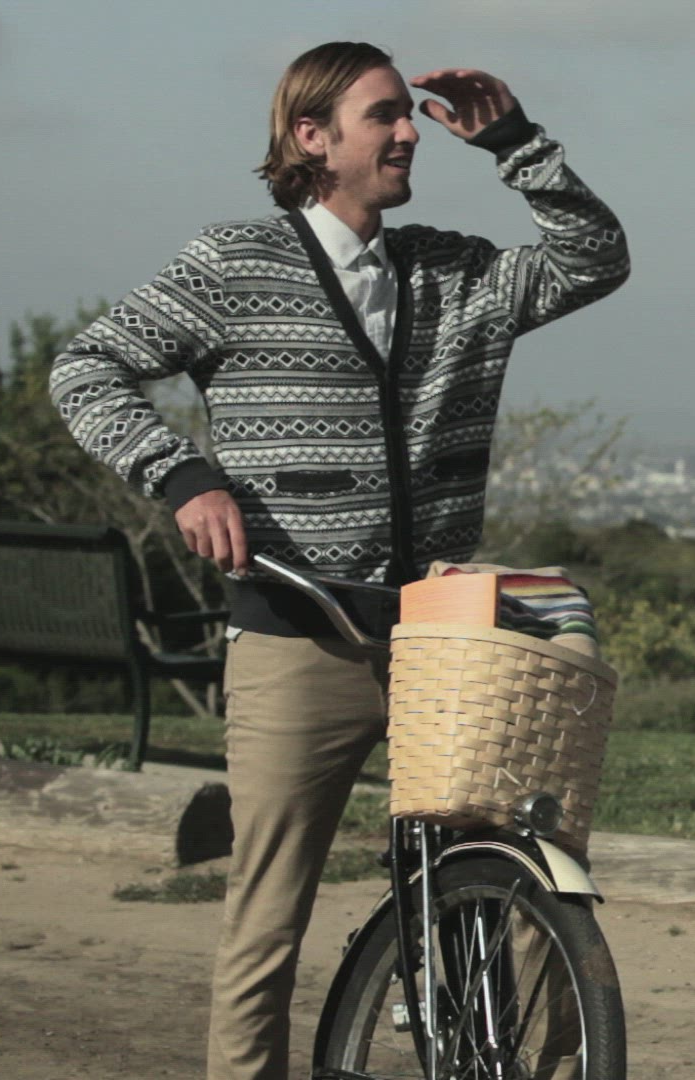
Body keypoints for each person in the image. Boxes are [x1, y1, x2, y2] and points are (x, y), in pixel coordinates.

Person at [49, 41, 629, 1080]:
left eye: (408, 114)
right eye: (383, 116)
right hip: (296, 637)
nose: (410, 133)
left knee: (521, 880)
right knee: (268, 916)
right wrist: (182, 477)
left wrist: (516, 142)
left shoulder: (454, 272)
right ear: (310, 137)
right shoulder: (233, 265)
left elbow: (595, 258)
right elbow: (85, 368)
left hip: (445, 647)